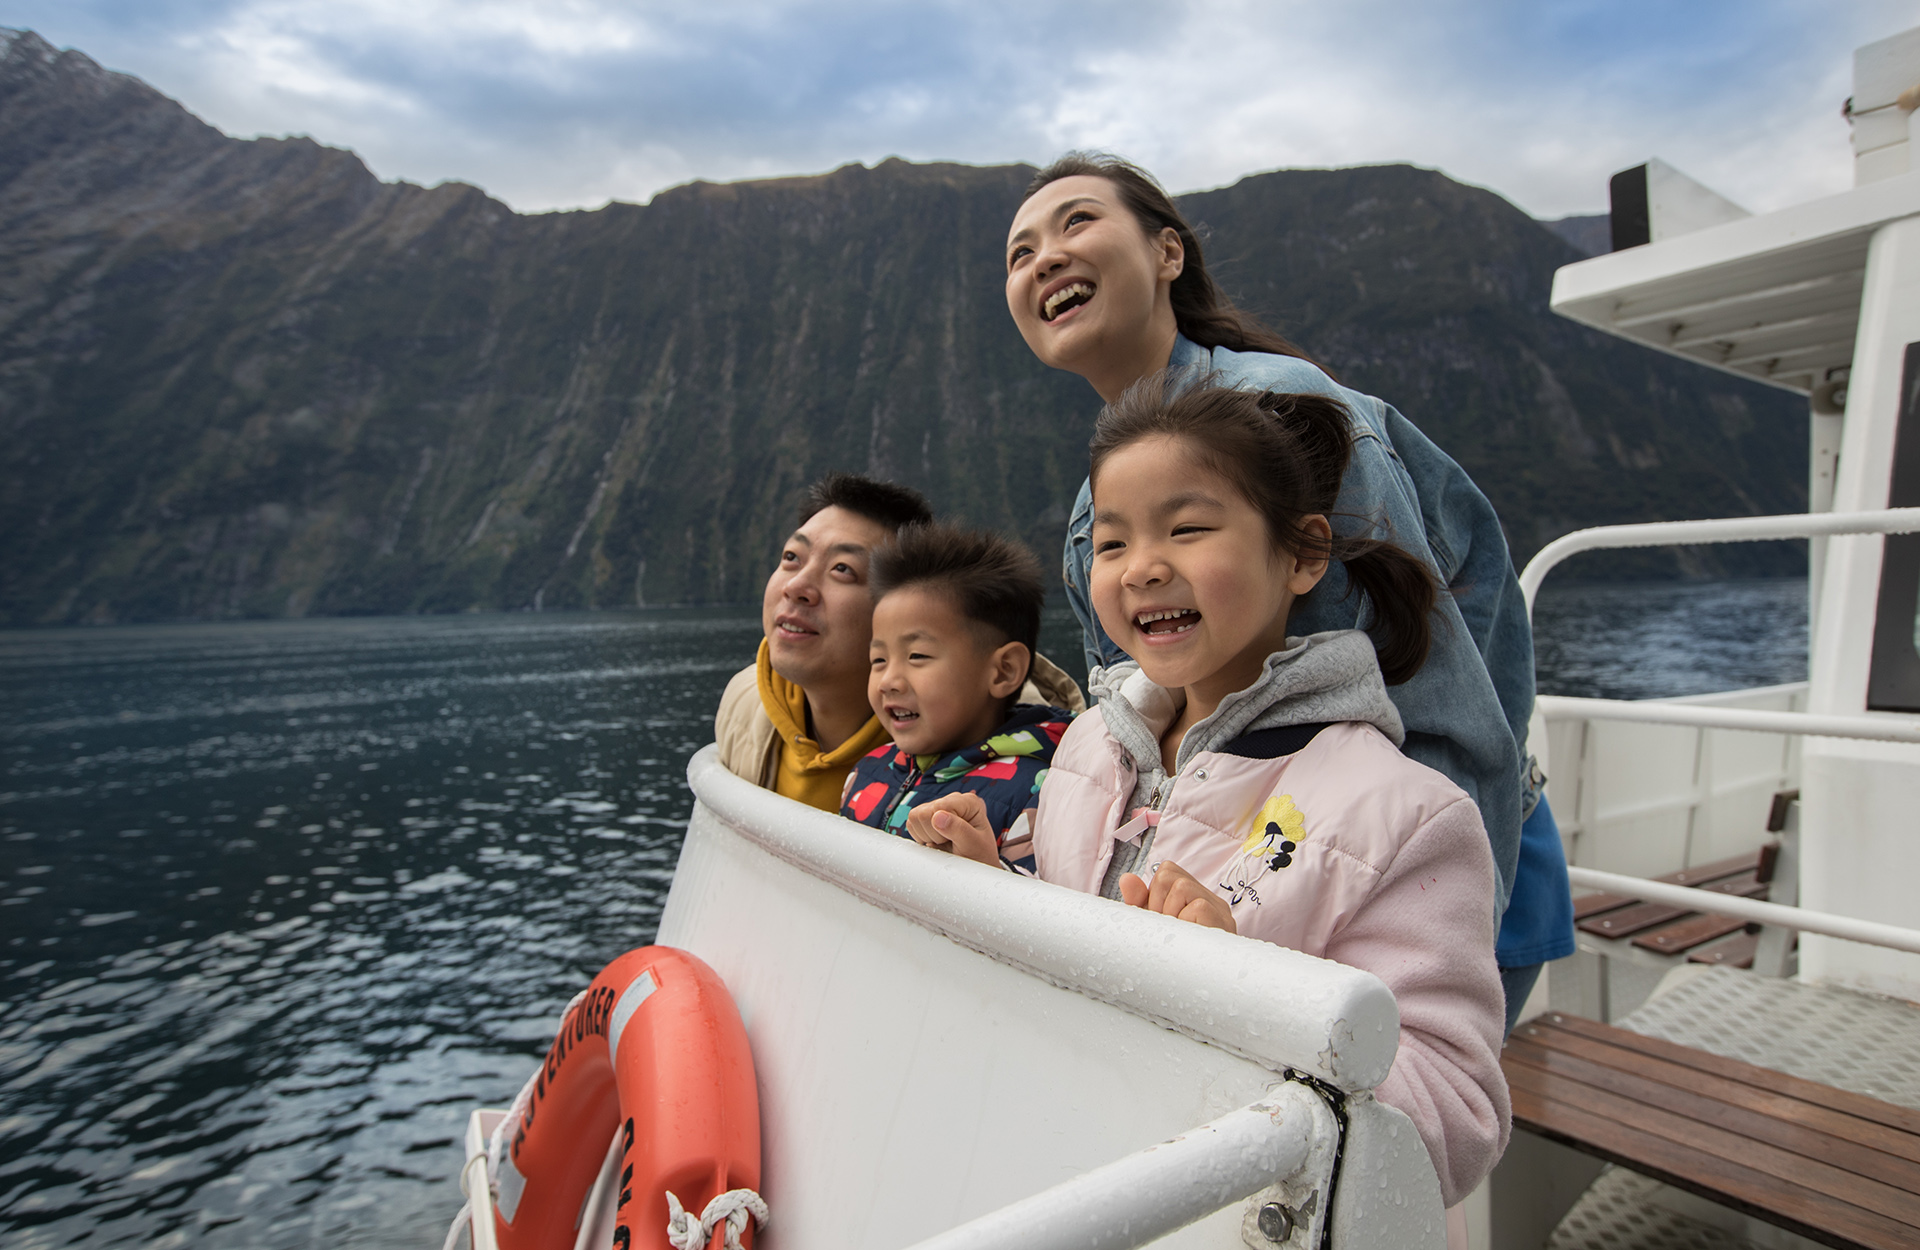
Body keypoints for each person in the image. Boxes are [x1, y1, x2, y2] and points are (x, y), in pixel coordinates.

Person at [910, 380, 1508, 1217]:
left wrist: (1249, 994)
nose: (1145, 565)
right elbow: (1069, 964)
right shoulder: (1089, 748)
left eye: (1187, 529)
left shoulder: (1407, 815)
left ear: (1302, 554)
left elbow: (1457, 1116)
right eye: (1112, 544)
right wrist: (989, 884)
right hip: (1090, 1192)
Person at [1002, 152, 1573, 1028]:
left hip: (1419, 867)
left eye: (1077, 222)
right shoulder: (1095, 511)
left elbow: (1438, 703)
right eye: (1019, 252)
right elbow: (1139, 735)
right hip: (1247, 890)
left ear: (1168, 254)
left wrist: (1449, 912)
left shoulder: (1287, 416)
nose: (1043, 257)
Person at [840, 523, 1076, 873]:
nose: (888, 680)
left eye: (917, 655)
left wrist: (987, 870)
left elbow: (1038, 913)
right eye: (878, 660)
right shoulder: (865, 771)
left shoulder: (1042, 792)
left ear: (1003, 671)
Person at [713, 473, 935, 810]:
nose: (796, 586)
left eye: (842, 569)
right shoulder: (746, 703)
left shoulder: (984, 733)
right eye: (792, 558)